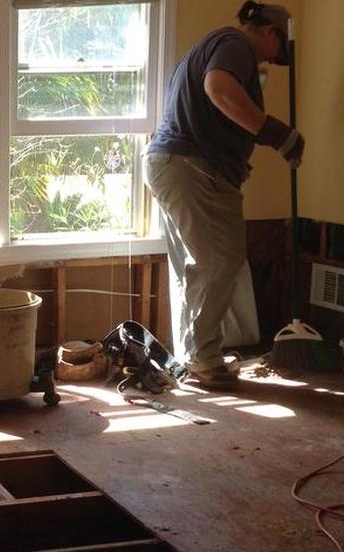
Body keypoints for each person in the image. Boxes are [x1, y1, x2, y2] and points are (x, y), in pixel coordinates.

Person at [146, 1, 304, 390]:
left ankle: (199, 355)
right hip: (193, 168)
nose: (272, 60)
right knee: (223, 261)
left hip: (176, 166)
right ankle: (202, 358)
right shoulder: (236, 46)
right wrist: (279, 136)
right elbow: (218, 88)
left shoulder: (214, 44)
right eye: (277, 51)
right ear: (271, 33)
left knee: (203, 265)